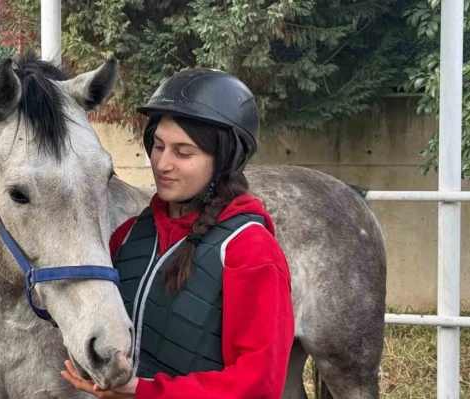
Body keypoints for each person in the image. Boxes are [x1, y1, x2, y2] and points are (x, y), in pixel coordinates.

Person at [61, 68, 295, 399]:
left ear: (225, 160)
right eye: (158, 145)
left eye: (183, 153)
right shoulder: (129, 236)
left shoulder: (251, 251)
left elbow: (258, 384)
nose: (162, 164)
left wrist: (144, 392)